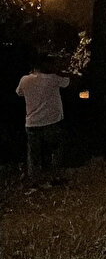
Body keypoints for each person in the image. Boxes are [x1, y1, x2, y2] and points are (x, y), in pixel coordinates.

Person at [16, 54, 71, 184]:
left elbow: (19, 93)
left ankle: (35, 180)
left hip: (32, 123)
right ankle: (55, 177)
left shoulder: (24, 80)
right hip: (52, 121)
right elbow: (67, 82)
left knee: (33, 154)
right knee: (56, 149)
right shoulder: (53, 78)